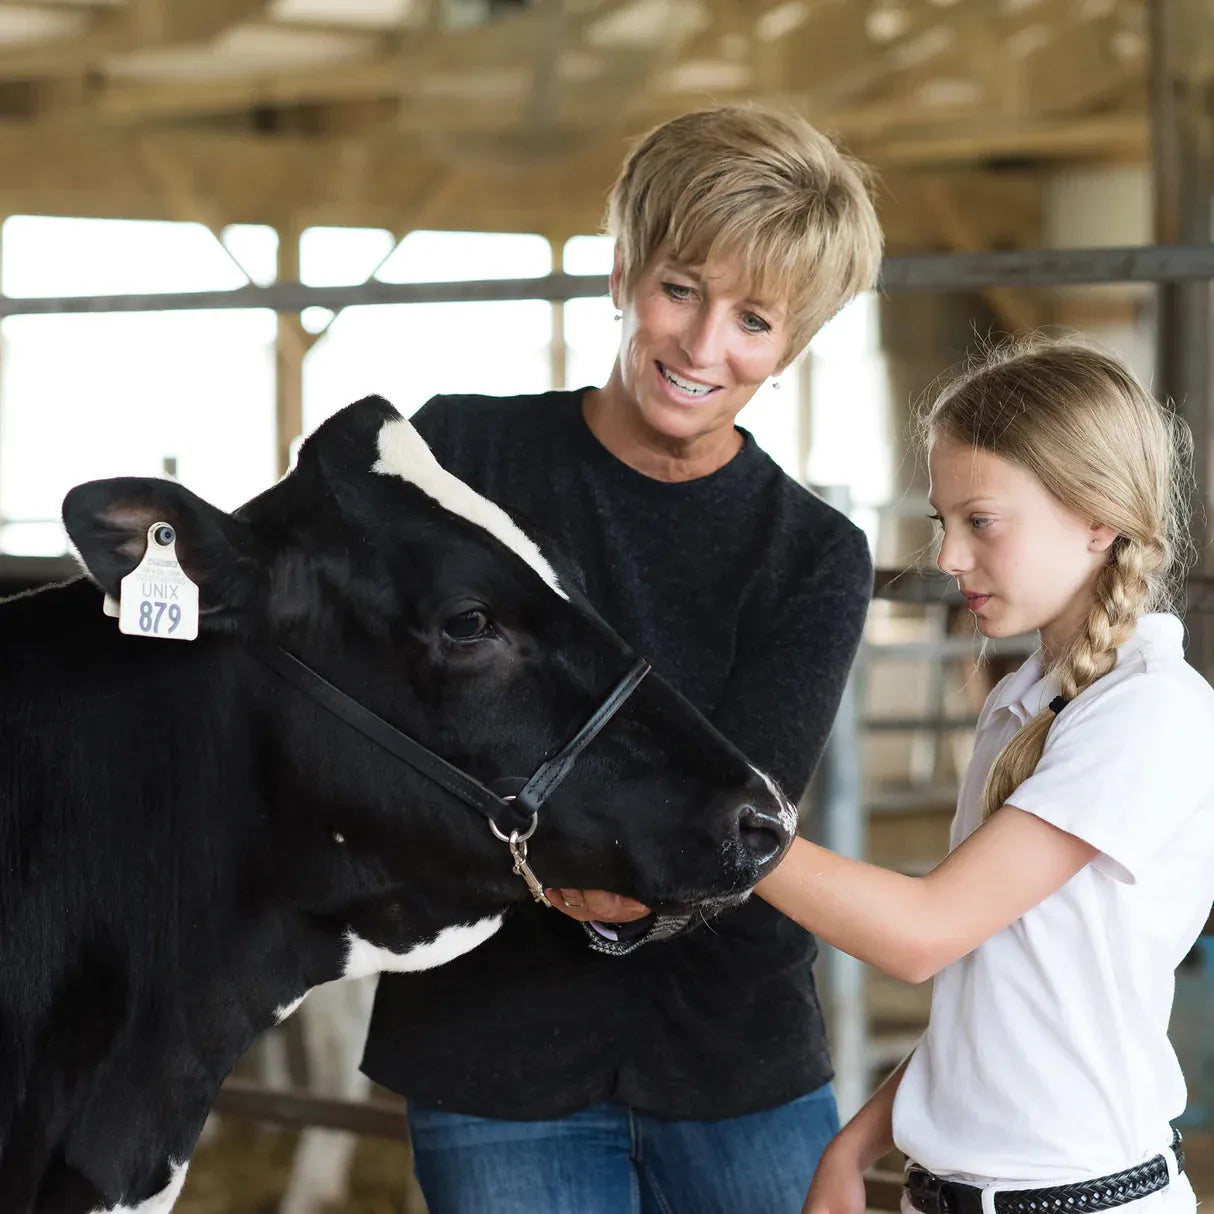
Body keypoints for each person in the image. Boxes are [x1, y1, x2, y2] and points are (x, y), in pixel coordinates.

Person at [359, 105, 884, 1213]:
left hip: (733, 1055)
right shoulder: (460, 454)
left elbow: (731, 832)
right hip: (490, 1048)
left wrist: (522, 828)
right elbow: (375, 729)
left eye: (752, 318)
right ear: (621, 272)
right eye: (679, 289)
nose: (701, 348)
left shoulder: (811, 554)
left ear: (791, 343)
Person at [746, 337, 1212, 1214]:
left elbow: (924, 934)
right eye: (943, 522)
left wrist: (728, 832)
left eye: (982, 521)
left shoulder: (1150, 713)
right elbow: (994, 997)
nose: (949, 556)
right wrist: (856, 1148)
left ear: (1097, 519)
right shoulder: (1023, 707)